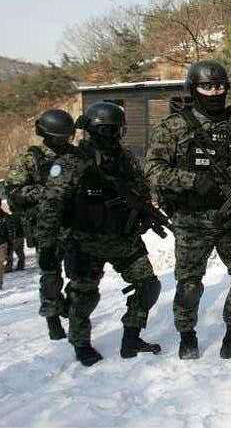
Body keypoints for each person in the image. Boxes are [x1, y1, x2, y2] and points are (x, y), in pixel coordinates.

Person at [144, 59, 231, 362]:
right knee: (189, 284)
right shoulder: (174, 127)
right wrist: (191, 180)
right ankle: (187, 335)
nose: (215, 92)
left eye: (219, 86)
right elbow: (151, 170)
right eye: (207, 86)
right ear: (194, 89)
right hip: (191, 221)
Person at [37, 102, 163, 366]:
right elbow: (51, 208)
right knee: (84, 297)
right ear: (94, 130)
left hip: (124, 239)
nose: (115, 136)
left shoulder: (126, 159)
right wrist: (47, 250)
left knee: (149, 286)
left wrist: (144, 215)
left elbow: (141, 192)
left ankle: (131, 337)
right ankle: (81, 344)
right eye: (110, 130)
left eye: (119, 130)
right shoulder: (71, 162)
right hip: (85, 242)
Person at [6, 109, 78, 339]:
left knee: (81, 273)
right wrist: (46, 192)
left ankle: (71, 308)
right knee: (50, 276)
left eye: (66, 137)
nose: (63, 141)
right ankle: (52, 319)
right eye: (59, 137)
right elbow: (13, 192)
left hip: (76, 226)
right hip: (46, 228)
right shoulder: (31, 159)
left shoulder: (76, 156)